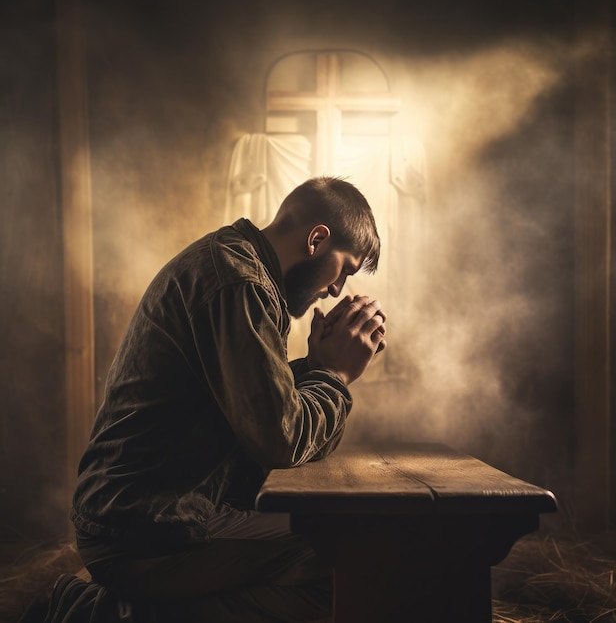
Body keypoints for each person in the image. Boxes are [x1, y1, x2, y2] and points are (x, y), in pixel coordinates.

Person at [39, 176, 387, 623]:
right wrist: (335, 375)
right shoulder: (238, 283)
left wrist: (315, 366)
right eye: (345, 269)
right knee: (347, 562)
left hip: (136, 518)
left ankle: (105, 611)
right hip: (147, 528)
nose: (338, 289)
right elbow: (280, 439)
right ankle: (105, 615)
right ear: (318, 239)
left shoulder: (238, 269)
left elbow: (249, 400)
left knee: (333, 551)